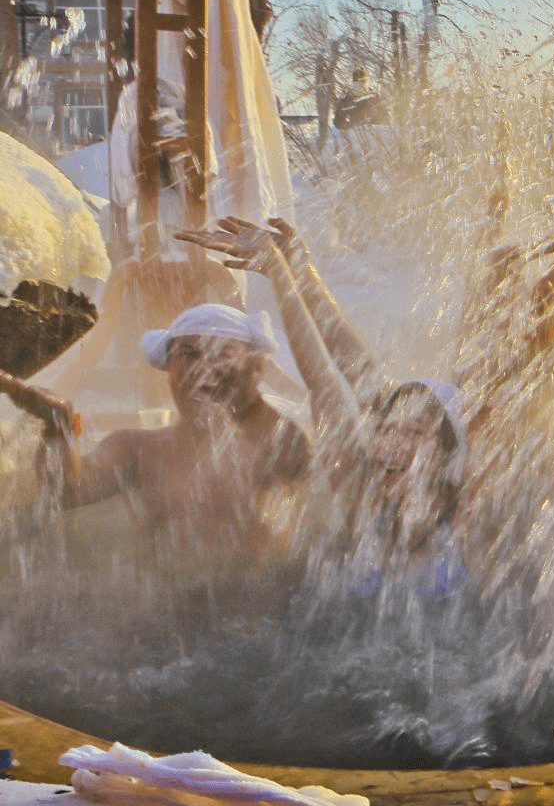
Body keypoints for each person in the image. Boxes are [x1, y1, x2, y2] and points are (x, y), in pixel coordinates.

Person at [176, 220, 467, 586]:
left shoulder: (472, 527)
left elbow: (364, 379)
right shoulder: (361, 506)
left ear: (448, 454)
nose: (392, 444)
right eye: (387, 429)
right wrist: (288, 272)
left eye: (413, 431)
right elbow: (326, 380)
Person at [0, 304, 311, 584]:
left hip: (260, 622)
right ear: (167, 368)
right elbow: (65, 492)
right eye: (189, 355)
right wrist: (62, 425)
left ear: (252, 367)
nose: (203, 368)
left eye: (221, 354)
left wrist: (250, 392)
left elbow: (322, 464)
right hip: (167, 626)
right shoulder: (136, 448)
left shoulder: (277, 442)